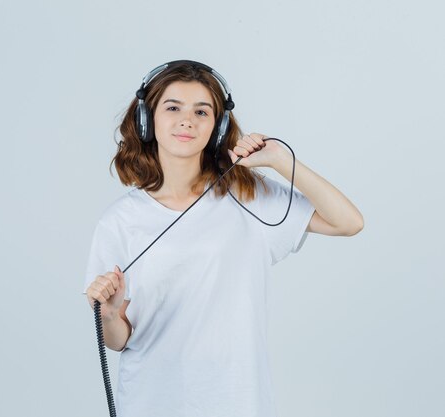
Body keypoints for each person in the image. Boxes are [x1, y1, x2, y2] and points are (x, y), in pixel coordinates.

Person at [81, 60, 363, 417]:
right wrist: (107, 311)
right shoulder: (119, 221)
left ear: (218, 126)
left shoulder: (249, 194)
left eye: (202, 111)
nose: (187, 120)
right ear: (146, 119)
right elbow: (117, 341)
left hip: (238, 403)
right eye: (173, 108)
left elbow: (348, 222)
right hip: (151, 403)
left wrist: (279, 160)